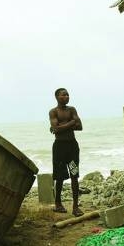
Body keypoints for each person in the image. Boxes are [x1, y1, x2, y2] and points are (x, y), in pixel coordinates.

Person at [49, 87, 83, 216]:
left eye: (68, 95)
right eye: (63, 95)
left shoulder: (72, 110)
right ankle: (58, 203)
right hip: (59, 148)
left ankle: (75, 207)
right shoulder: (53, 112)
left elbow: (80, 127)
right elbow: (56, 129)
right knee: (60, 176)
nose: (67, 97)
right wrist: (72, 122)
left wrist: (61, 126)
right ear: (57, 97)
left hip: (72, 147)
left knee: (74, 174)